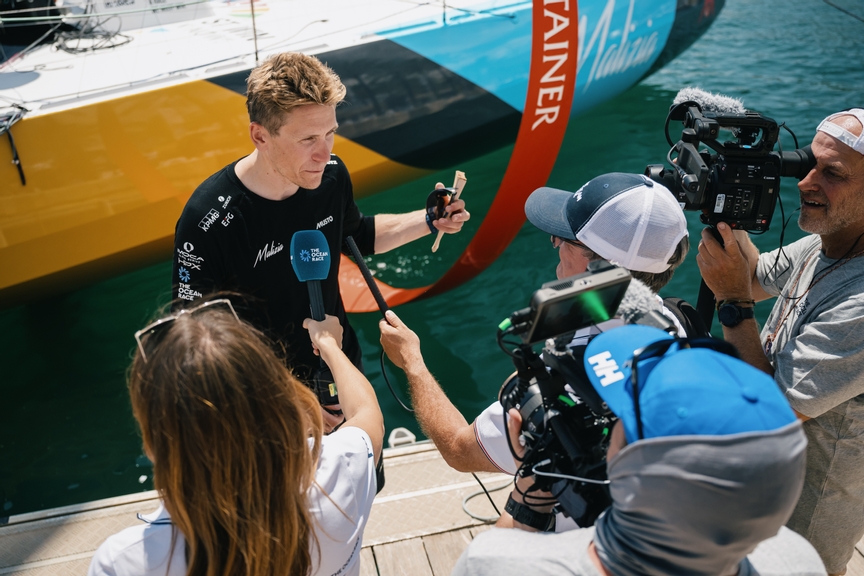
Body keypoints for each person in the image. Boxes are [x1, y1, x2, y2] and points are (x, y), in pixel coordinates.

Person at [171, 51, 469, 389]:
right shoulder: (207, 218)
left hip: (341, 370)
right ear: (260, 136)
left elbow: (357, 236)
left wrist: (431, 219)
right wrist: (293, 400)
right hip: (267, 396)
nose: (324, 153)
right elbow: (194, 337)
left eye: (330, 133)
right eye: (308, 139)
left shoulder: (331, 176)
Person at [379, 172, 690, 479]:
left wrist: (411, 361)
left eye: (563, 237)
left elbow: (459, 449)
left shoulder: (564, 386)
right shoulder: (676, 324)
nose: (555, 243)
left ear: (598, 267)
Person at [451, 324, 827, 576]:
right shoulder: (797, 559)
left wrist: (527, 503)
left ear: (621, 460)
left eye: (621, 420)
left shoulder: (495, 563)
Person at [87, 298, 384, 576]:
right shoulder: (339, 473)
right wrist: (328, 344)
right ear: (277, 400)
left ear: (152, 446)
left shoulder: (123, 563)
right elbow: (366, 412)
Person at [697, 108, 864, 575]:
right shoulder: (829, 240)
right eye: (809, 163)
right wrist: (733, 203)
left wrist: (731, 302)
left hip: (805, 515)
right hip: (763, 484)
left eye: (832, 174)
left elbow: (772, 417)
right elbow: (752, 278)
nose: (806, 182)